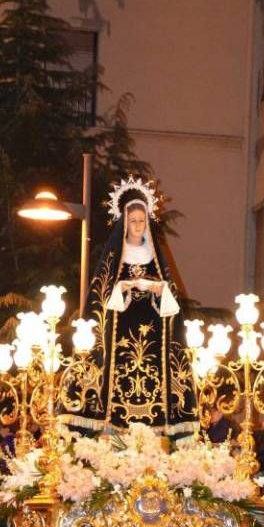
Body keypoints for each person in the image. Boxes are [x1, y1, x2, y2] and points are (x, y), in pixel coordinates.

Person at [64, 176, 197, 437]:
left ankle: (157, 422)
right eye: (133, 221)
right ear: (125, 222)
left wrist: (159, 290)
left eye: (142, 221)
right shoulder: (114, 259)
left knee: (154, 379)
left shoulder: (154, 258)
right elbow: (99, 300)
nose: (138, 226)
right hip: (120, 335)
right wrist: (122, 288)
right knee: (115, 381)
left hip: (151, 336)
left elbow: (171, 308)